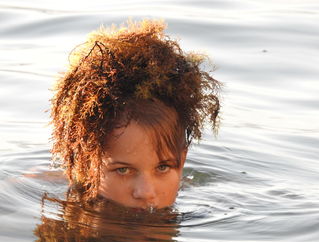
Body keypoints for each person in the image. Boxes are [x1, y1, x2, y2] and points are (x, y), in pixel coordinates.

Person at [50, 19, 221, 210]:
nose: (146, 193)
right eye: (123, 170)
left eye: (163, 167)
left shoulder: (205, 209)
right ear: (84, 166)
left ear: (182, 161)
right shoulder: (71, 228)